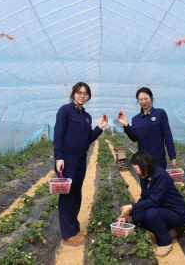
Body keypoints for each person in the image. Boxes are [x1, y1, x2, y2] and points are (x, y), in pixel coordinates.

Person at [54, 82, 108, 247]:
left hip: (80, 159)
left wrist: (99, 127)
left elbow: (87, 140)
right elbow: (58, 134)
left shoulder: (87, 116)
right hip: (67, 160)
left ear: (88, 96)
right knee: (66, 196)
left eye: (85, 93)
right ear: (73, 94)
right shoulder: (65, 110)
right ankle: (68, 234)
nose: (82, 95)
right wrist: (59, 158)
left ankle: (74, 228)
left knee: (76, 194)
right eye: (79, 92)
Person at [119, 151, 185, 257]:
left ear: (143, 165)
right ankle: (167, 232)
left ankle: (165, 242)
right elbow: (144, 198)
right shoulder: (145, 177)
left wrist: (132, 206)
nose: (136, 172)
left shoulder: (161, 175)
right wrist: (129, 212)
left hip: (176, 214)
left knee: (151, 213)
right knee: (137, 217)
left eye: (136, 168)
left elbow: (154, 201)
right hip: (162, 211)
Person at [117, 87, 176, 169]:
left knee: (159, 181)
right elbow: (134, 138)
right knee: (145, 181)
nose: (143, 102)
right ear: (138, 101)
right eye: (140, 99)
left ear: (151, 98)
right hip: (143, 161)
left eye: (146, 99)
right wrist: (126, 125)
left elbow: (167, 135)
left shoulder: (160, 113)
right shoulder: (136, 119)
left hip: (158, 159)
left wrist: (172, 156)